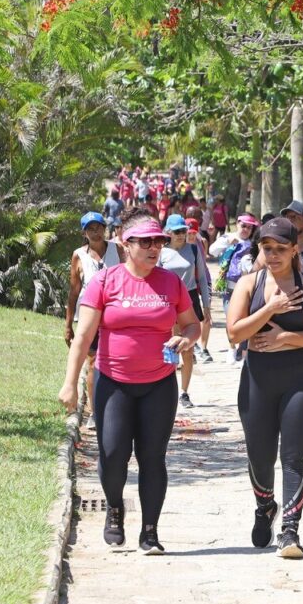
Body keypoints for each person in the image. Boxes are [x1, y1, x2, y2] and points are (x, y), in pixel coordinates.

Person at [58, 210, 200, 554]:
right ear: (126, 242)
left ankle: (150, 531)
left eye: (158, 242)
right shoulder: (105, 282)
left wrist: (187, 340)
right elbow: (83, 338)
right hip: (113, 383)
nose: (154, 248)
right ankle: (115, 510)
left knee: (153, 457)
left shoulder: (171, 283)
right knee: (113, 454)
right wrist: (69, 383)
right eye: (146, 242)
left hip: (158, 384)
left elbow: (192, 325)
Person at [227, 218, 303, 558]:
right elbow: (234, 333)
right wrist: (270, 308)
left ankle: (290, 530)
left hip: (299, 379)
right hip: (258, 379)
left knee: (293, 456)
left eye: (280, 249)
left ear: (294, 249)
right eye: (267, 249)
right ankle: (265, 506)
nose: (273, 256)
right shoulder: (248, 284)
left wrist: (286, 337)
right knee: (260, 456)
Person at [64, 212, 125, 427]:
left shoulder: (117, 249)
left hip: (116, 314)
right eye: (90, 229)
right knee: (93, 363)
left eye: (98, 227)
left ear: (104, 228)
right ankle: (95, 411)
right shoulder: (79, 256)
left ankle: (119, 407)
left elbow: (128, 277)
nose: (95, 232)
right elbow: (73, 291)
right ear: (84, 233)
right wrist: (68, 324)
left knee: (117, 360)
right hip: (90, 317)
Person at [159, 214, 211, 408]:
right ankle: (168, 390)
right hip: (168, 302)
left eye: (184, 231)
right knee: (170, 348)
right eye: (177, 232)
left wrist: (206, 305)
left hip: (189, 300)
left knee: (187, 349)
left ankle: (184, 392)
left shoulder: (193, 250)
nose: (181, 235)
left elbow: (202, 279)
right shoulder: (161, 253)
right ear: (168, 233)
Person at [211, 214, 259, 364]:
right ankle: (232, 349)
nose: (245, 229)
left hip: (246, 289)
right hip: (228, 288)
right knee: (229, 319)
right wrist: (227, 243)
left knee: (245, 320)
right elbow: (212, 251)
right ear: (237, 224)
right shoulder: (228, 237)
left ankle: (243, 351)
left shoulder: (253, 243)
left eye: (249, 227)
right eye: (243, 225)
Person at [185, 214, 214, 364]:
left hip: (202, 280)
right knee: (190, 318)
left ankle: (203, 347)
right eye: (188, 233)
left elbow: (203, 268)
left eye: (193, 233)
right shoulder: (178, 246)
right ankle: (193, 346)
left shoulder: (200, 243)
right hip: (189, 285)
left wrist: (206, 301)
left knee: (206, 316)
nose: (190, 236)